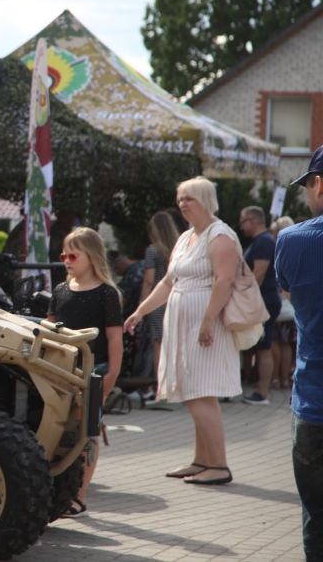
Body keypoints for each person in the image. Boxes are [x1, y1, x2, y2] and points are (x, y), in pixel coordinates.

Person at [124, 177, 241, 487]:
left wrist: (206, 321)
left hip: (204, 324)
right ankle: (202, 460)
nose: (183, 204)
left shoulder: (220, 236)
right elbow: (167, 283)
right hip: (184, 322)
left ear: (205, 199)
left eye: (188, 198)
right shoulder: (187, 236)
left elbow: (224, 281)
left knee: (201, 392)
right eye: (180, 199)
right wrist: (140, 312)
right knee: (193, 392)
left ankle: (218, 464)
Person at [45, 227, 122, 517]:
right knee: (60, 430)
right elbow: (49, 329)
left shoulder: (106, 294)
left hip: (94, 372)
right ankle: (58, 490)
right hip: (61, 371)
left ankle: (79, 495)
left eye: (73, 254)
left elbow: (115, 338)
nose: (66, 259)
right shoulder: (60, 290)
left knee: (86, 432)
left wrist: (112, 373)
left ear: (91, 256)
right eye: (63, 254)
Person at [275, 146, 323, 560]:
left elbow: (288, 289)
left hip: (313, 401)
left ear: (319, 184)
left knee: (316, 518)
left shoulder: (291, 239)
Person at [238, 206, 281, 405]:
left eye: (242, 223)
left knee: (264, 347)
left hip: (263, 301)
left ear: (252, 220)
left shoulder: (263, 241)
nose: (241, 227)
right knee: (262, 345)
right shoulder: (262, 241)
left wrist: (245, 296)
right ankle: (261, 390)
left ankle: (262, 392)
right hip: (263, 300)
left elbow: (259, 272)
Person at [140, 211, 181, 394]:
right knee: (174, 345)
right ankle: (174, 386)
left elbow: (149, 281)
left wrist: (142, 305)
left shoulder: (152, 250)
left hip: (157, 303)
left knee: (158, 345)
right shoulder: (180, 247)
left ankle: (159, 388)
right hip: (176, 300)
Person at [271, 214, 296, 390]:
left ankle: (275, 379)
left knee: (275, 342)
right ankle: (285, 379)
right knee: (286, 343)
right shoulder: (296, 245)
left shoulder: (280, 247)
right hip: (292, 303)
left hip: (280, 300)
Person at [109, 250, 145, 321]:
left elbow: (124, 300)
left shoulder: (130, 275)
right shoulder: (144, 264)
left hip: (137, 317)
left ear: (117, 267)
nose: (115, 274)